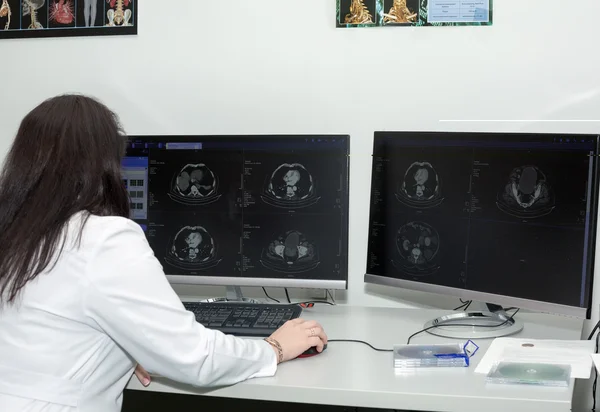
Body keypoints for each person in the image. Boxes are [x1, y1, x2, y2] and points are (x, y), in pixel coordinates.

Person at [0, 94, 328, 412]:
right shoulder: (102, 238)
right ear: (104, 165)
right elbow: (194, 357)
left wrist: (129, 348)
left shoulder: (13, 233)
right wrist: (275, 348)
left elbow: (51, 333)